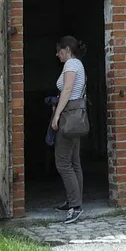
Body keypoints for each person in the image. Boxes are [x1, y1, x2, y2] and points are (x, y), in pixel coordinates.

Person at [50, 35, 88, 222]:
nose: (57, 54)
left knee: (63, 162)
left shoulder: (71, 65)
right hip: (76, 116)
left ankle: (75, 206)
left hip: (68, 115)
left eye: (59, 51)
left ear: (66, 50)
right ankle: (75, 200)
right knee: (74, 162)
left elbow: (67, 90)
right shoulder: (78, 64)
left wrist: (57, 114)